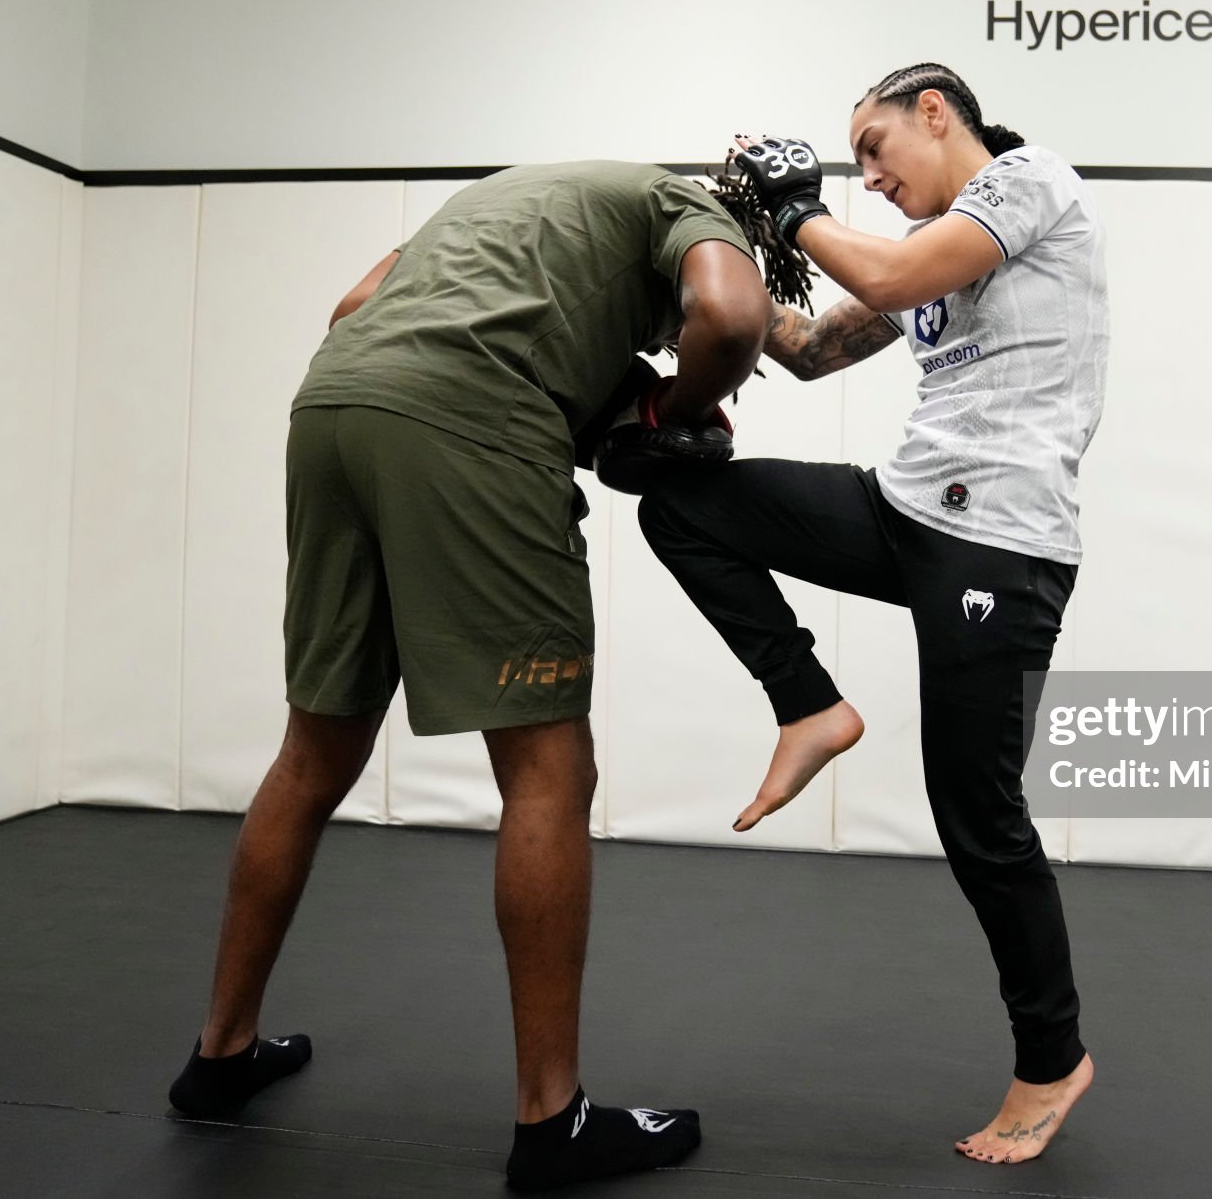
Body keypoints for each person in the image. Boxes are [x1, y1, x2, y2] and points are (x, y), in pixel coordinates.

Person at [165, 160, 786, 1192]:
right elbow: (731, 316)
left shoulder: (511, 200)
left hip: (334, 407)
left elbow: (351, 305)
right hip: (471, 421)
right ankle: (554, 1120)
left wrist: (601, 399)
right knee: (548, 767)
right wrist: (672, 412)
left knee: (313, 752)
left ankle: (219, 1053)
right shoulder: (687, 204)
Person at [638, 63, 1109, 1165]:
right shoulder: (936, 252)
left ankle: (1052, 1060)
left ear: (934, 113)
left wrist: (798, 207)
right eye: (852, 164)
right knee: (682, 506)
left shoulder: (1030, 184)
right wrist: (713, 267)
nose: (870, 176)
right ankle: (808, 705)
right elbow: (809, 350)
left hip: (1000, 543)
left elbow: (889, 275)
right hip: (907, 511)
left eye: (873, 149)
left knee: (977, 817)